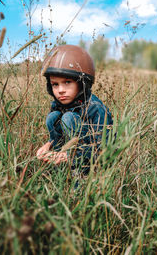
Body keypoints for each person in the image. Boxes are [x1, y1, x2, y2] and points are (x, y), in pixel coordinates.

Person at [36, 45, 113, 173]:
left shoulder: (96, 108)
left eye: (67, 82)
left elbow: (104, 149)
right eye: (55, 84)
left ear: (82, 83)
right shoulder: (58, 104)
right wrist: (47, 146)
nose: (60, 90)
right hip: (67, 153)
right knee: (53, 117)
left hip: (93, 159)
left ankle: (80, 173)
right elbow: (57, 135)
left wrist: (69, 156)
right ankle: (59, 166)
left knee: (68, 118)